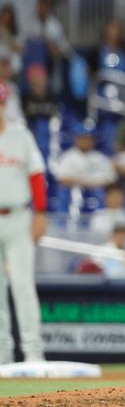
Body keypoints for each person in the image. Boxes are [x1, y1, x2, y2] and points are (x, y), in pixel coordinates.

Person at [0, 82, 46, 363]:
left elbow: (37, 176)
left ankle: (33, 353)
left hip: (18, 217)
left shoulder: (20, 136)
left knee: (22, 285)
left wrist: (40, 213)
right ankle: (2, 355)